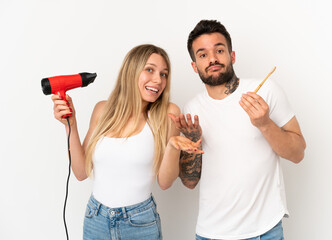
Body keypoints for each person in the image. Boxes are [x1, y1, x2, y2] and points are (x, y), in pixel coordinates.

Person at [169, 20, 306, 240]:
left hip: (265, 231)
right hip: (210, 233)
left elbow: (298, 153)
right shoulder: (191, 109)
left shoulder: (266, 91)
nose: (212, 58)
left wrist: (264, 124)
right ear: (194, 66)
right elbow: (190, 182)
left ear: (232, 56)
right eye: (203, 55)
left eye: (219, 50)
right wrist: (193, 141)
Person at [51, 44, 202, 240]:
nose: (158, 80)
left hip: (140, 223)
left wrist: (173, 147)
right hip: (95, 218)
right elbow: (80, 173)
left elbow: (165, 182)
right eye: (150, 69)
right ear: (131, 71)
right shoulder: (102, 110)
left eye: (164, 74)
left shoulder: (167, 113)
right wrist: (70, 124)